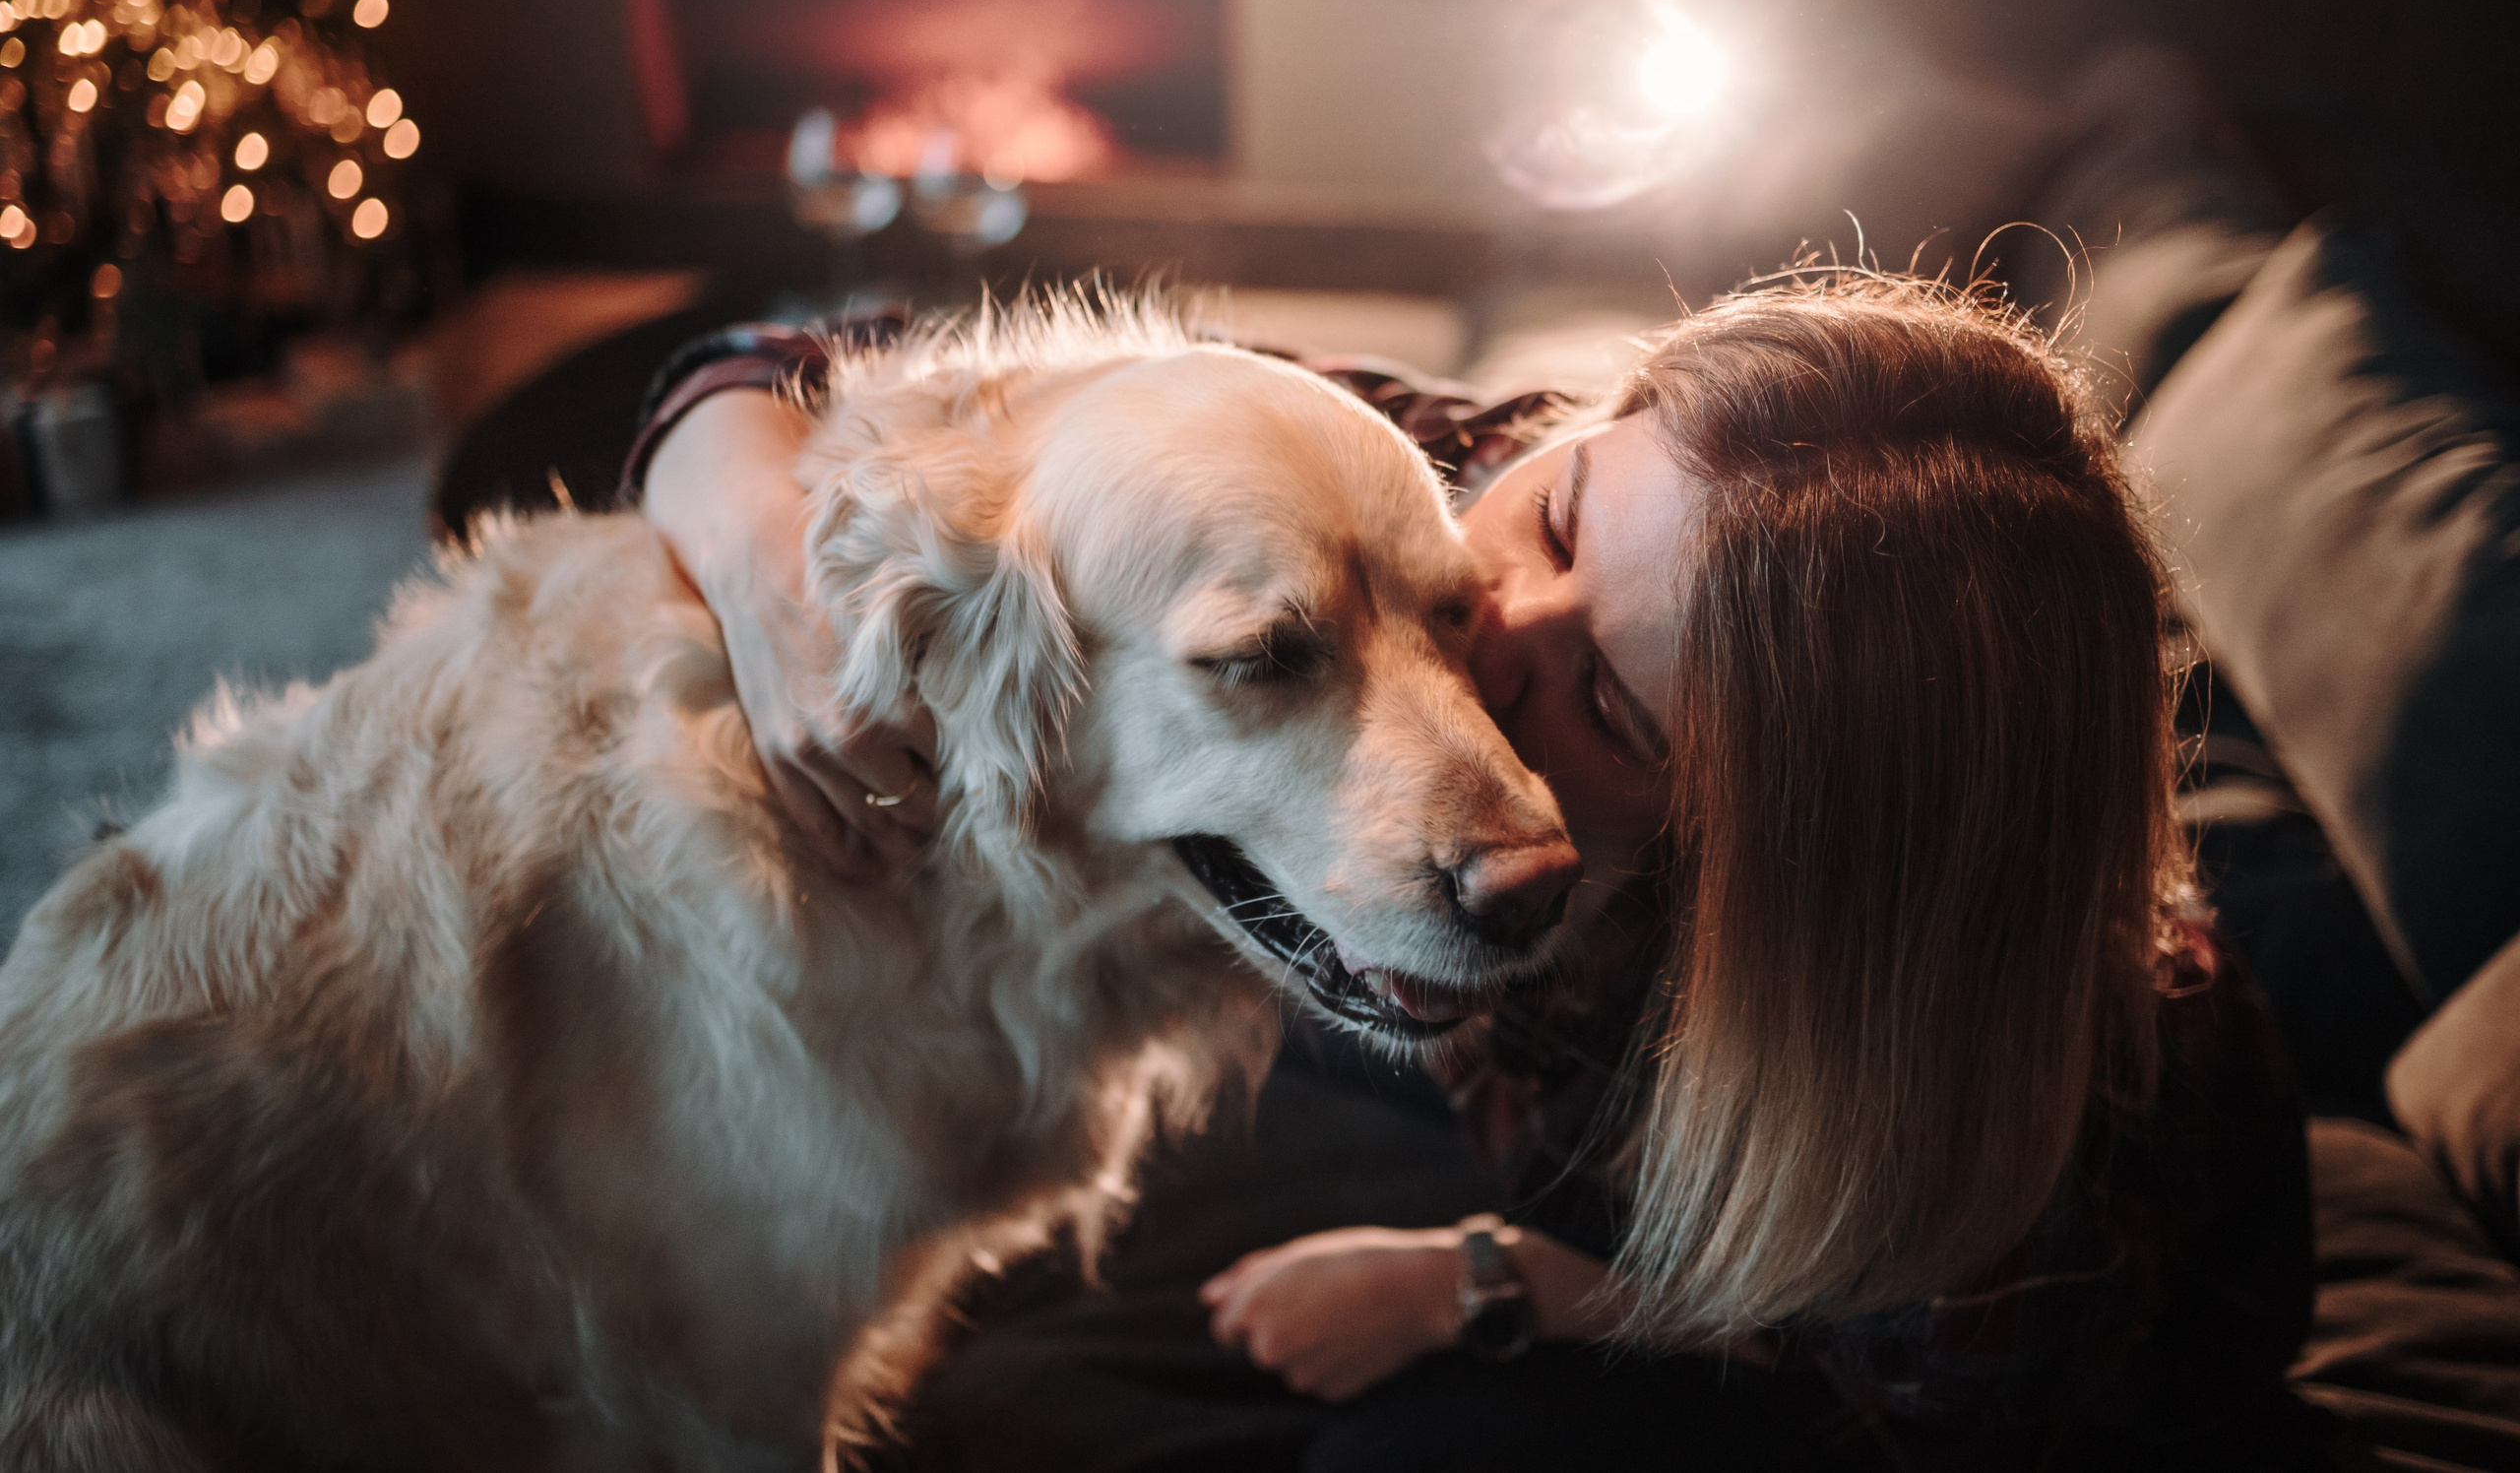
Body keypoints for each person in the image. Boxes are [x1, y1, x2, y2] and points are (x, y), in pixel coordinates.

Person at [631, 272, 2324, 1471]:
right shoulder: (1422, 498)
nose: (1483, 630)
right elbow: (787, 353)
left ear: (1767, 853)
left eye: (1608, 706)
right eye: (1567, 517)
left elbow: (1910, 1350)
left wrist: (1485, 1286)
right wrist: (758, 558)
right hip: (1500, 1059)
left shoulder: (1971, 1122)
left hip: (1854, 1302)